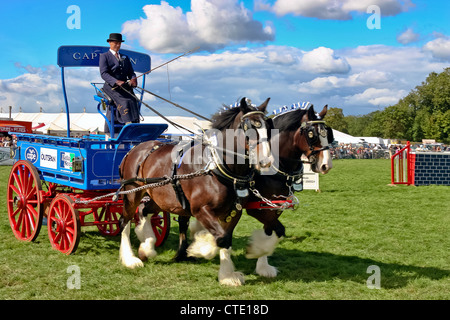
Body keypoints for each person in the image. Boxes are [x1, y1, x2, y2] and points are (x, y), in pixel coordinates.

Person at [99, 33, 139, 135]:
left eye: (119, 43)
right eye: (115, 43)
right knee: (125, 101)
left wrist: (133, 79)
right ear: (110, 43)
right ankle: (128, 124)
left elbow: (131, 72)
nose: (117, 45)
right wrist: (116, 81)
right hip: (111, 87)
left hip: (124, 87)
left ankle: (135, 125)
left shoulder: (125, 57)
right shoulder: (104, 56)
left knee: (134, 100)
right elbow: (103, 73)